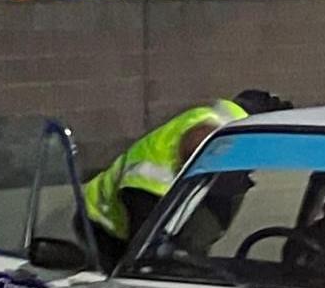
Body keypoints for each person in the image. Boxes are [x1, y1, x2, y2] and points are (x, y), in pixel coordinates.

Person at [83, 91, 293, 264]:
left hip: (151, 201)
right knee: (145, 269)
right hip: (111, 217)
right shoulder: (224, 129)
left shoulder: (223, 122)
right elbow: (198, 141)